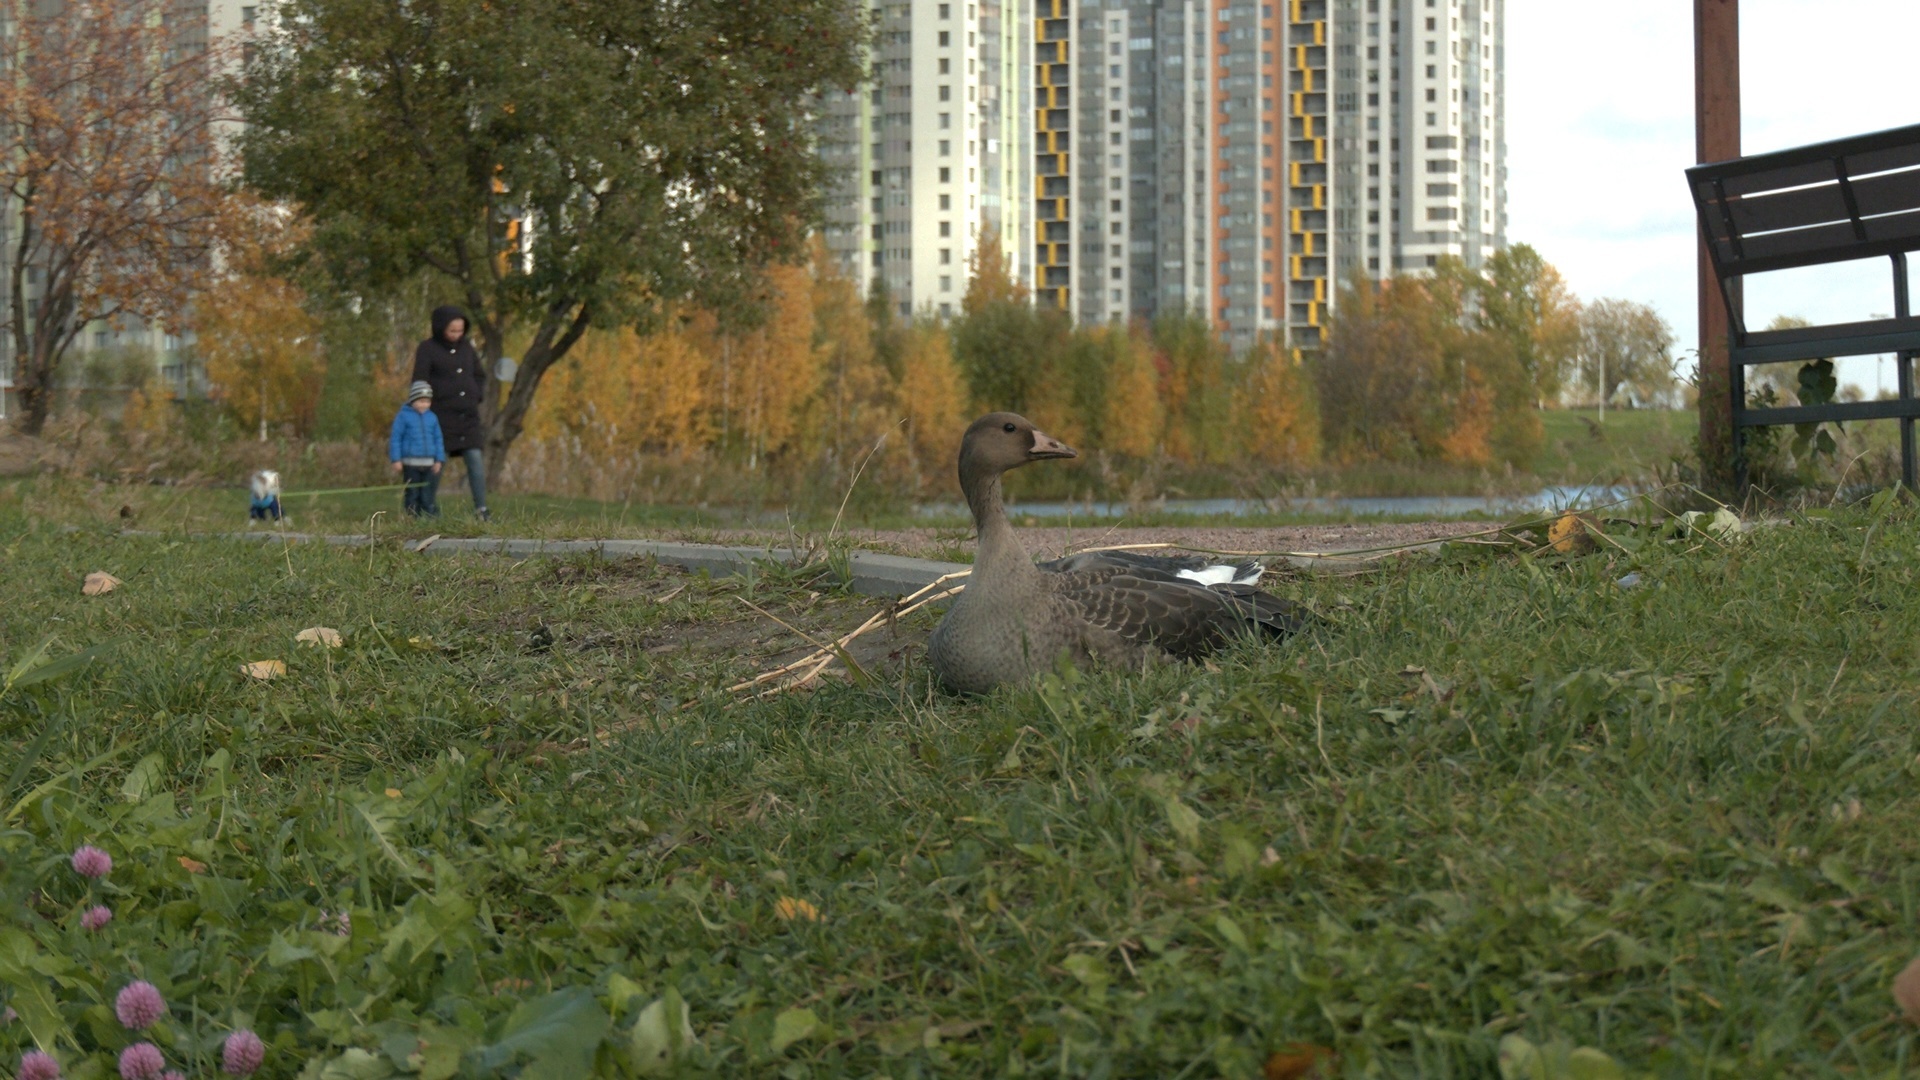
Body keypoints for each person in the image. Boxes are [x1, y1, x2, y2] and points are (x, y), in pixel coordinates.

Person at [410, 305, 491, 521]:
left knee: (475, 459)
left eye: (460, 330)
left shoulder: (467, 348)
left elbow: (479, 375)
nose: (456, 335)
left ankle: (481, 509)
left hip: (468, 417)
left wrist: (476, 395)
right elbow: (419, 380)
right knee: (438, 462)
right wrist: (425, 405)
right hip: (440, 417)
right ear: (440, 328)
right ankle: (427, 508)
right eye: (452, 330)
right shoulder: (427, 349)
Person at [390, 381, 445, 517]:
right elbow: (396, 438)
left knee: (427, 493)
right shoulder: (403, 416)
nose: (424, 405)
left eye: (427, 401)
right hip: (411, 464)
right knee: (412, 493)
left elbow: (438, 439)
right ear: (413, 400)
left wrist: (439, 460)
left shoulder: (432, 418)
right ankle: (412, 517)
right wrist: (396, 459)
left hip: (429, 464)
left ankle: (428, 517)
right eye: (421, 401)